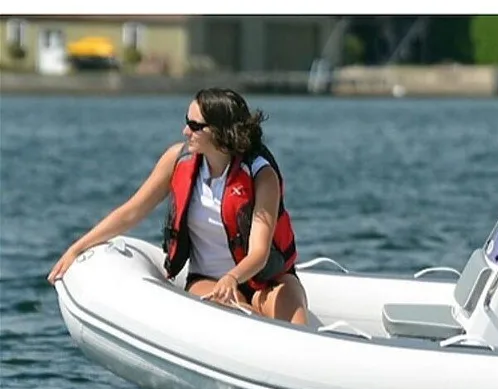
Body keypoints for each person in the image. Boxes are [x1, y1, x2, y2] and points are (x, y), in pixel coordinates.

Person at [47, 87, 309, 325]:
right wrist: (77, 248)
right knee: (238, 318)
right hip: (208, 281)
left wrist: (233, 278)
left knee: (295, 323)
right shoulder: (178, 160)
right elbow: (132, 211)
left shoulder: (261, 176)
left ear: (220, 131)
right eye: (187, 123)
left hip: (264, 279)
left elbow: (259, 253)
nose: (186, 132)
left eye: (195, 126)